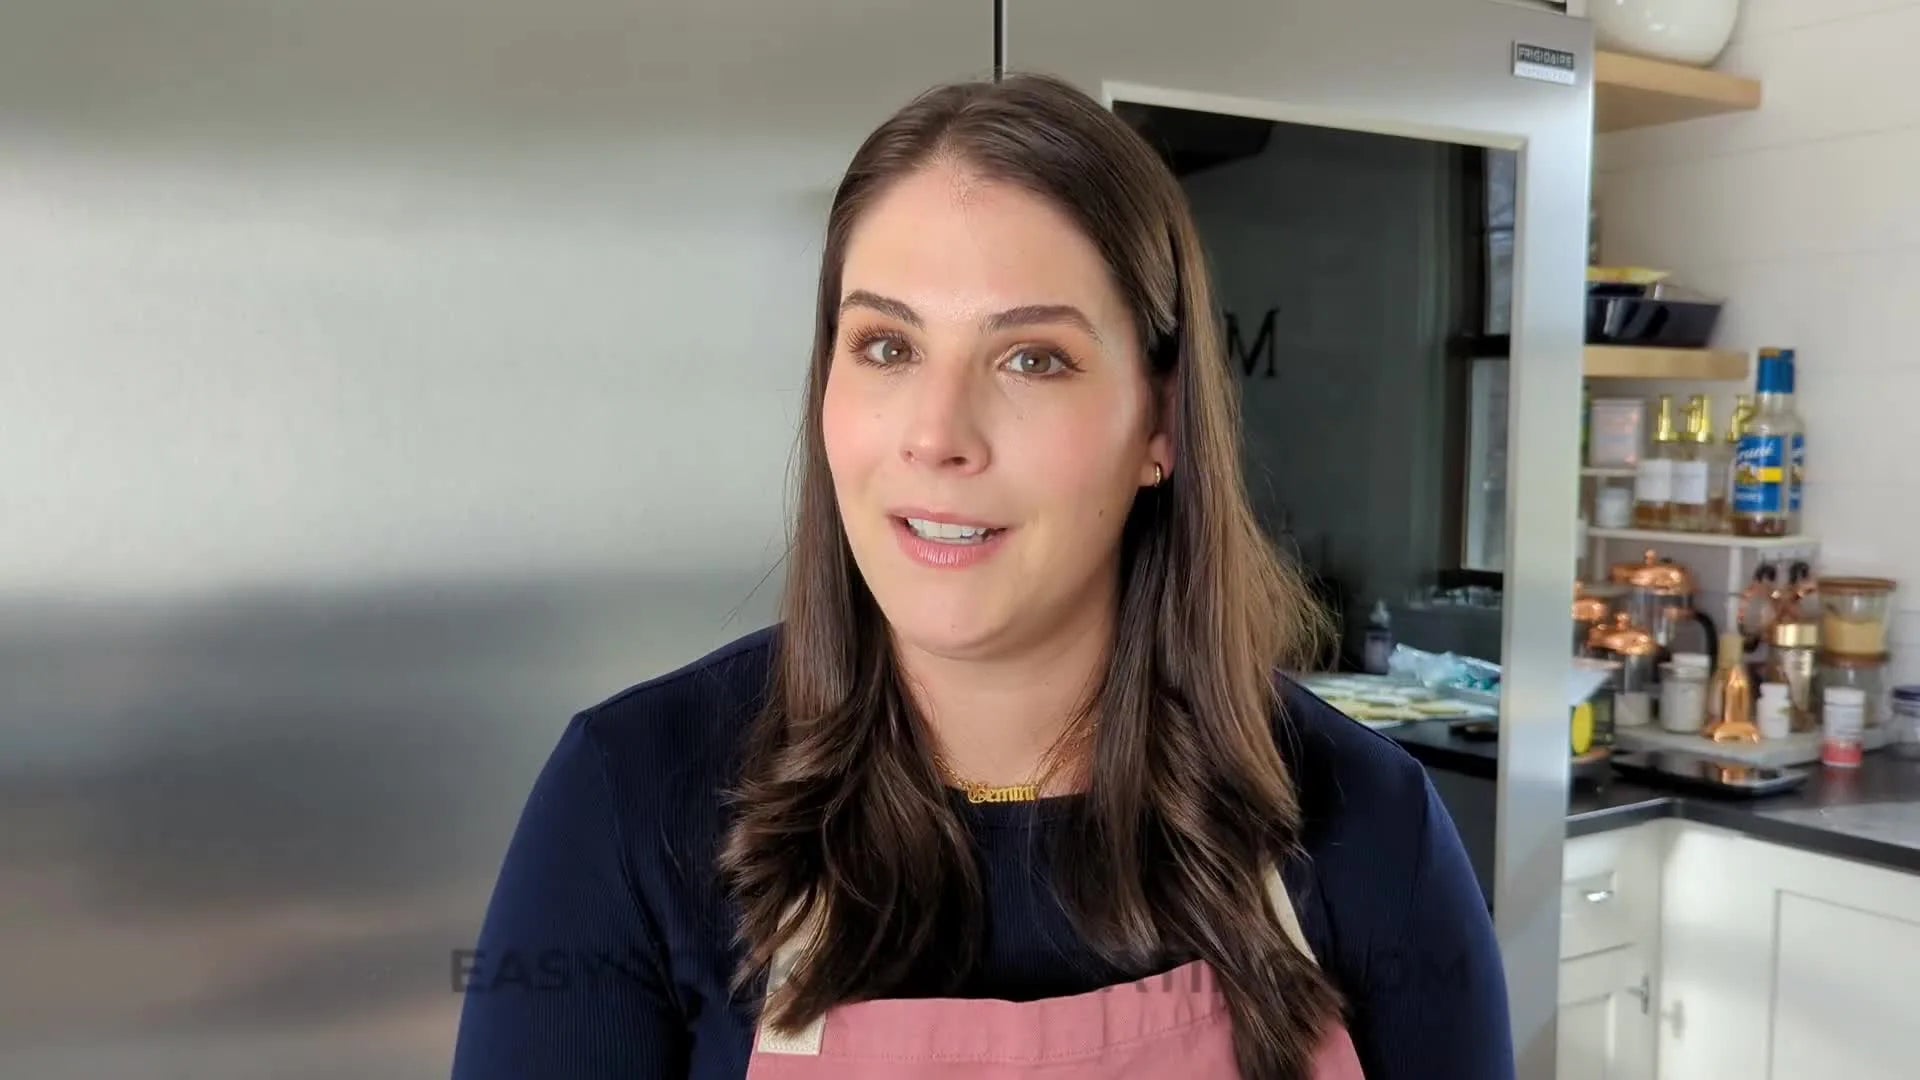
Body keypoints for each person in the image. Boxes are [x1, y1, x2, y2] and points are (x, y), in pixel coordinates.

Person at [451, 73, 1513, 1080]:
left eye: (1031, 358)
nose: (937, 435)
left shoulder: (1371, 835)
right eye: (885, 347)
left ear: (1161, 424)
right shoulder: (635, 805)